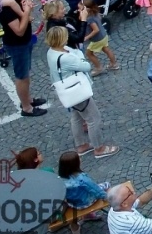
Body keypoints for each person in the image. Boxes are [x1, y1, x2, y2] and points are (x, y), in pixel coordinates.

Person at [46, 25, 117, 158]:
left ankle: (81, 145)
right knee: (93, 118)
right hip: (76, 90)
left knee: (76, 117)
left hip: (66, 90)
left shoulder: (51, 52)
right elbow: (86, 66)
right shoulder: (66, 57)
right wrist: (78, 53)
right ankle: (99, 148)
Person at [0, 0, 47, 117]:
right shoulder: (5, 10)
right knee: (21, 76)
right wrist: (26, 12)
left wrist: (25, 1)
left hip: (25, 41)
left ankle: (28, 99)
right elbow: (19, 30)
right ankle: (26, 108)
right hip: (17, 44)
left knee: (25, 74)